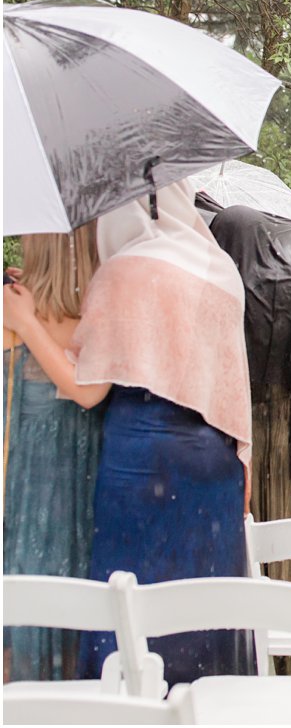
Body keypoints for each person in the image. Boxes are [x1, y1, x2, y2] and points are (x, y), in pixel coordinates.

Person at [2, 181, 252, 686]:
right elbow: (230, 387)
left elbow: (90, 385)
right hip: (215, 460)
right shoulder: (219, 269)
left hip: (141, 457)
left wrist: (27, 321)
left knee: (129, 603)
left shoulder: (126, 271)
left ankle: (127, 702)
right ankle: (207, 702)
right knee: (206, 602)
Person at [2, 225, 104, 681]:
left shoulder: (19, 313)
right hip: (73, 476)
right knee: (66, 586)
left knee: (29, 583)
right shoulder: (93, 311)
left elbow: (86, 391)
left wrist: (25, 323)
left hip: (31, 478)